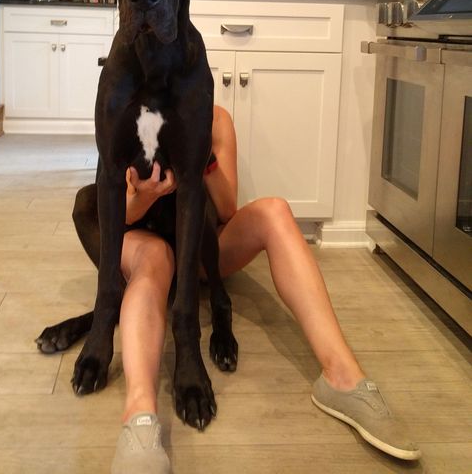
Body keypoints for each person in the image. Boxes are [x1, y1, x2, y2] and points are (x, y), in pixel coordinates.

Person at [107, 105, 421, 473]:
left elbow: (226, 207)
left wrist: (201, 150)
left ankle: (343, 377)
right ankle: (140, 414)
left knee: (275, 210)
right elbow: (122, 214)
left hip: (202, 248)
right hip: (147, 237)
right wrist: (147, 192)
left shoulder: (215, 117)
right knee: (156, 256)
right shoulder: (137, 114)